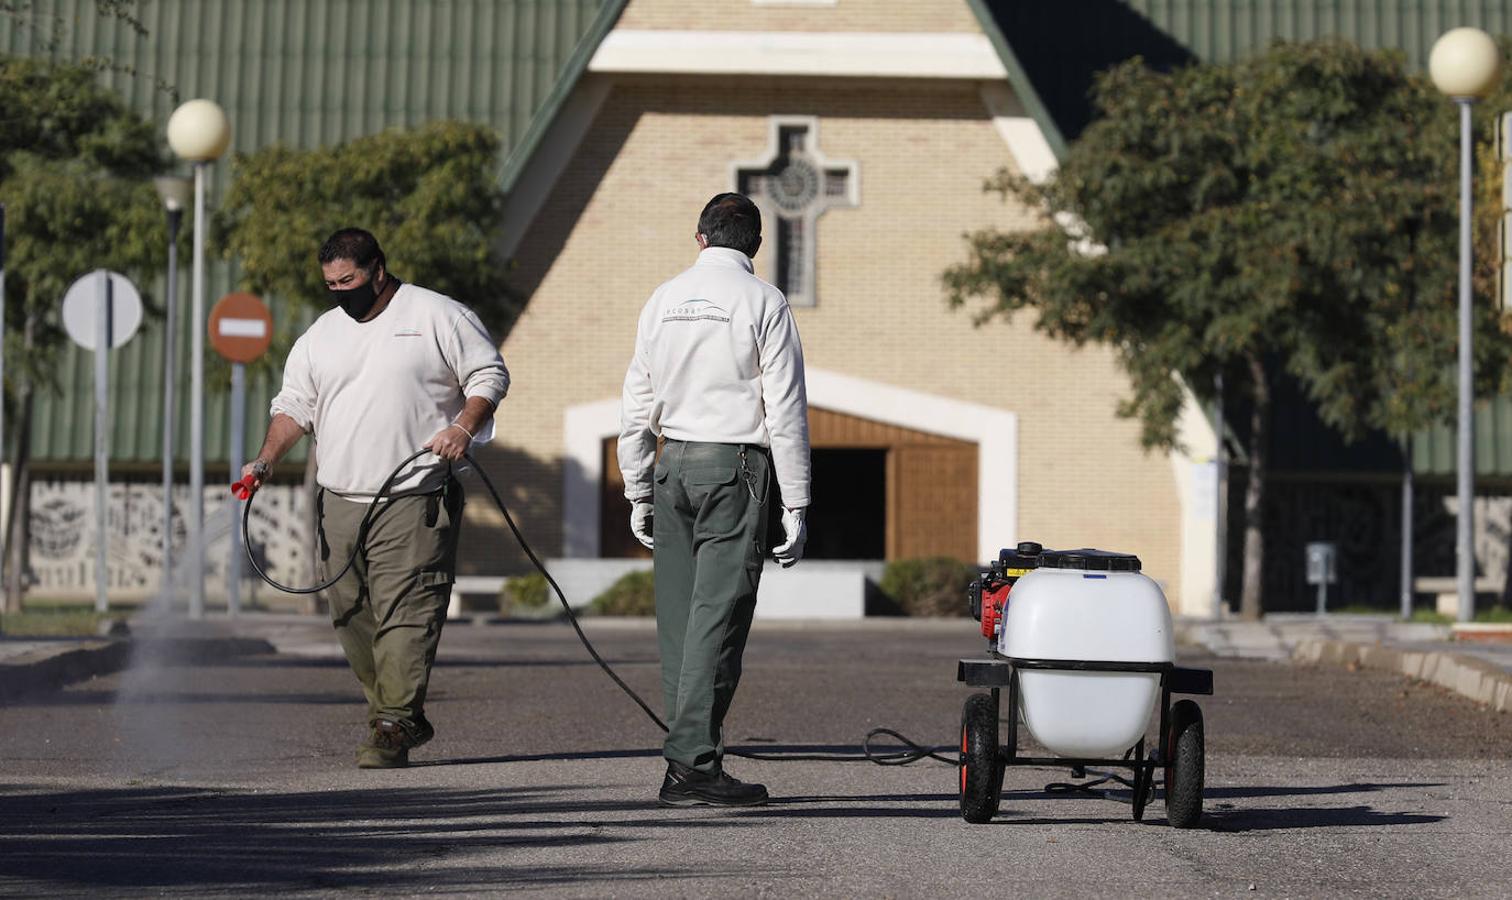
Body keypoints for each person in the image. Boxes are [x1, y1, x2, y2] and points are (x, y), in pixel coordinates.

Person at [241, 228, 509, 769]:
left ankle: (391, 724)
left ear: (378, 270)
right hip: (339, 499)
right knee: (351, 614)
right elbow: (294, 405)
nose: (341, 292)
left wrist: (462, 427)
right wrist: (267, 458)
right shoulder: (320, 336)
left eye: (349, 280)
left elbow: (488, 373)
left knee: (408, 612)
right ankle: (396, 712)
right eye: (330, 284)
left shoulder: (437, 315)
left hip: (414, 495)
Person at [618, 193, 812, 807]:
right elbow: (784, 407)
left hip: (671, 461)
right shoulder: (764, 301)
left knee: (679, 621)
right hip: (733, 466)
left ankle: (689, 759)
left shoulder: (663, 298)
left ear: (699, 238)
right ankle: (692, 766)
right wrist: (797, 503)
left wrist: (636, 488)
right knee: (718, 618)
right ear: (754, 244)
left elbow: (634, 402)